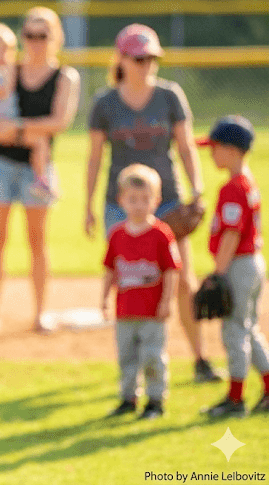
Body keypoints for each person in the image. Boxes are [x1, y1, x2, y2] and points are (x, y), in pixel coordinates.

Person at [85, 23, 222, 384]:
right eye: (139, 57)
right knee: (130, 281)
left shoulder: (170, 95)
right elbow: (95, 158)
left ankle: (200, 358)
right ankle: (131, 371)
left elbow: (186, 145)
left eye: (151, 58)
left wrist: (198, 189)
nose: (146, 64)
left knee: (180, 280)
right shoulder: (105, 102)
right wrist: (87, 205)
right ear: (123, 59)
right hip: (122, 205)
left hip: (167, 202)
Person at [0, 7, 81, 335]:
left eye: (42, 35)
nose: (35, 42)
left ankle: (41, 312)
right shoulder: (8, 70)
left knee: (37, 242)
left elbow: (59, 122)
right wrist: (7, 129)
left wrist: (15, 129)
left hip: (37, 170)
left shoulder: (65, 77)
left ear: (55, 37)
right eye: (29, 35)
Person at [195, 116, 269, 417]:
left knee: (234, 331)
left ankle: (235, 400)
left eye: (215, 147)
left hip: (237, 264)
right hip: (252, 263)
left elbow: (231, 233)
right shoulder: (246, 181)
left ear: (233, 150)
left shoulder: (233, 187)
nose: (211, 153)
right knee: (249, 330)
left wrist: (218, 273)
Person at [101, 163, 181, 420]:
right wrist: (103, 299)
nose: (139, 205)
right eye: (132, 199)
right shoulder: (117, 235)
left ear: (156, 200)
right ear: (121, 200)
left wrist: (167, 302)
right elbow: (110, 270)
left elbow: (171, 271)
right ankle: (128, 398)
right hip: (125, 310)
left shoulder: (161, 234)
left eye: (145, 199)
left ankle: (155, 401)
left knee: (152, 356)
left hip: (152, 311)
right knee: (126, 357)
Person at [0, 21, 54, 200]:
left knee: (36, 142)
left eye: (6, 49)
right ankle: (41, 181)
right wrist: (9, 78)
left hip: (5, 121)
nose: (3, 54)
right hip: (0, 120)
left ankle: (40, 180)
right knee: (38, 142)